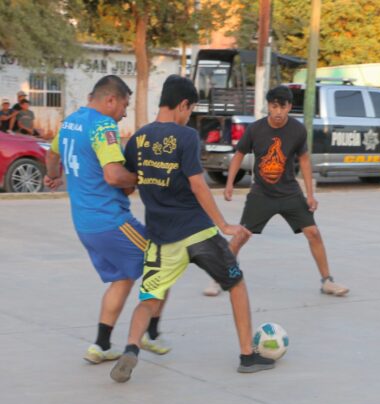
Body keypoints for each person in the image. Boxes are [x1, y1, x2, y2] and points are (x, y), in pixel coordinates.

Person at [111, 75, 273, 383]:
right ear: (183, 105)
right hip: (198, 233)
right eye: (190, 109)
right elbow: (198, 184)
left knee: (148, 299)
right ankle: (246, 356)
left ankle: (131, 349)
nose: (189, 115)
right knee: (236, 285)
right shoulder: (185, 137)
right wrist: (223, 224)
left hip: (160, 238)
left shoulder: (137, 139)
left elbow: (129, 183)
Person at [44, 75, 169, 364]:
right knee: (163, 259)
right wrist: (141, 178)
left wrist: (52, 176)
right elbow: (114, 176)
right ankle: (150, 334)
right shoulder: (103, 126)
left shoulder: (69, 123)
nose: (124, 112)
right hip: (110, 221)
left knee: (123, 278)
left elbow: (51, 155)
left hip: (85, 224)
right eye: (124, 105)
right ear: (110, 100)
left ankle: (100, 345)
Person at [202, 85, 349, 298]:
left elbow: (305, 160)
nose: (278, 112)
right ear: (268, 107)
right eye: (274, 106)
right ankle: (218, 278)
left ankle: (327, 281)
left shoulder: (297, 130)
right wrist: (229, 183)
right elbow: (239, 155)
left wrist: (309, 194)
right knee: (241, 236)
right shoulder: (255, 129)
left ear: (289, 107)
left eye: (282, 107)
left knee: (314, 233)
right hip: (261, 193)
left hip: (290, 192)